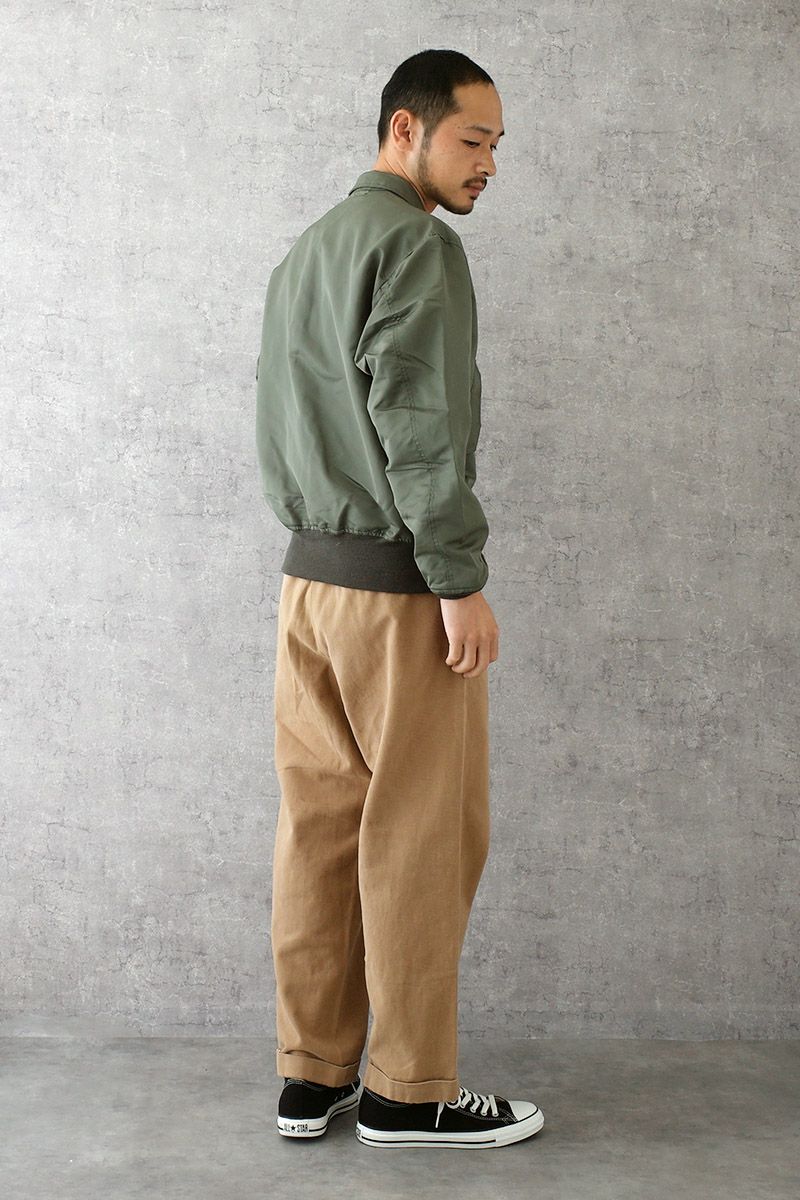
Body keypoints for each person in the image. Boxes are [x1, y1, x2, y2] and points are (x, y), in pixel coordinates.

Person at [255, 48, 544, 1149]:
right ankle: (408, 1091)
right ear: (404, 130)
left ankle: (311, 1074)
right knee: (420, 836)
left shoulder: (309, 250)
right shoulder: (416, 245)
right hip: (395, 593)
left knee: (319, 835)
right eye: (472, 140)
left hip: (307, 588)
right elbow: (415, 422)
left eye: (496, 146)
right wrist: (456, 580)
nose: (488, 164)